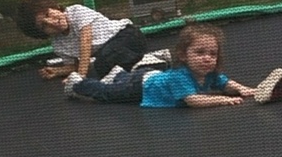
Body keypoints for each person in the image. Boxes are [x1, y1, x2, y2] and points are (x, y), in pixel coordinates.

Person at [62, 22, 255, 107]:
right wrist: (222, 100)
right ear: (183, 55)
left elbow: (225, 83)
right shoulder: (181, 76)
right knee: (107, 94)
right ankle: (77, 84)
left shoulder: (209, 73)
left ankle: (119, 74)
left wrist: (242, 89)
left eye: (212, 54)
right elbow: (193, 100)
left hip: (150, 75)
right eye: (199, 53)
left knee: (121, 82)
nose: (207, 58)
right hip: (140, 86)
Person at [15, 0, 148, 80]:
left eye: (48, 14)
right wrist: (58, 71)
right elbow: (75, 66)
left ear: (55, 7)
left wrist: (80, 77)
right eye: (44, 26)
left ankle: (147, 64)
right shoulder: (59, 45)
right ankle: (135, 71)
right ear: (43, 34)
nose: (52, 22)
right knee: (103, 64)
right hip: (108, 52)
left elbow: (86, 41)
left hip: (128, 35)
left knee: (103, 62)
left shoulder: (76, 12)